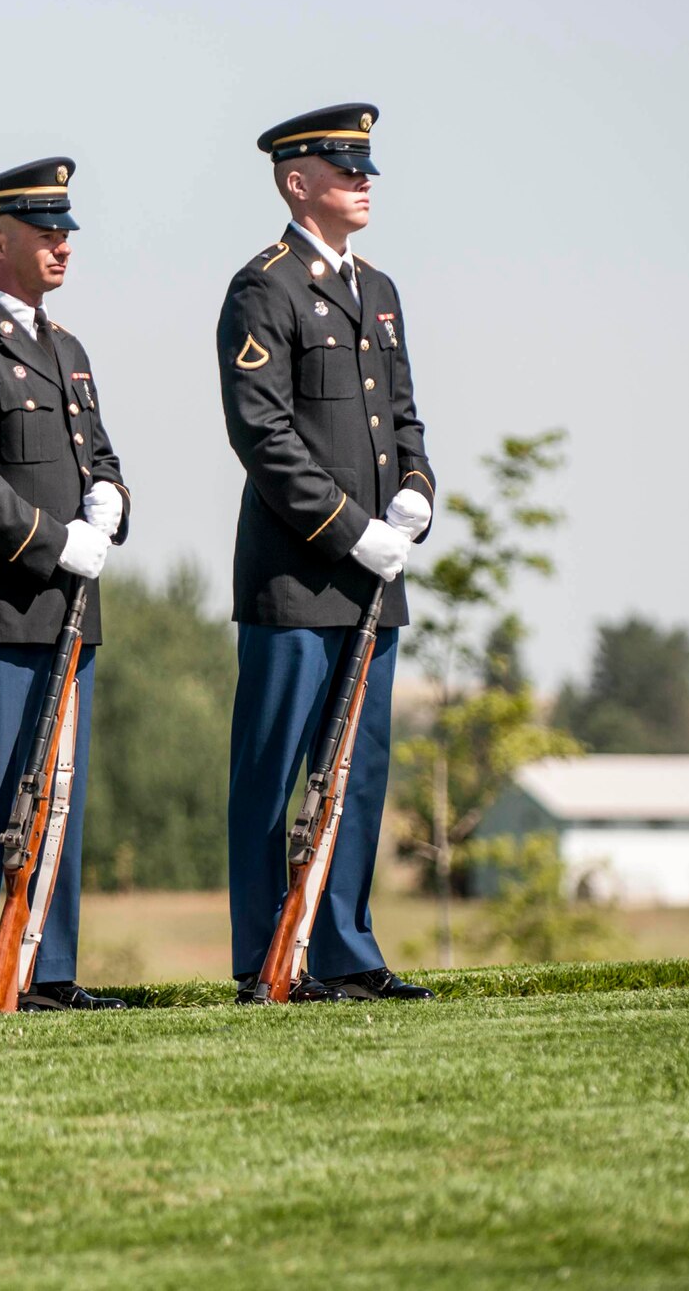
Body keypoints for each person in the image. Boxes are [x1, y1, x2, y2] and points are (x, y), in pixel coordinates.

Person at [215, 104, 437, 1003]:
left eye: (368, 169)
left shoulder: (377, 290)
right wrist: (355, 529)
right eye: (347, 169)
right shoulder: (262, 287)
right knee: (275, 771)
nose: (365, 181)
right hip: (298, 575)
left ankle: (344, 948)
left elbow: (405, 417)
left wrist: (418, 489)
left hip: (374, 582)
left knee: (362, 769)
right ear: (296, 181)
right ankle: (269, 957)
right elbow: (262, 434)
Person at [0, 157, 133, 1012]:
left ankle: (50, 968)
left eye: (66, 232)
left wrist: (114, 495)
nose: (63, 246)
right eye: (47, 233)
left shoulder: (66, 349)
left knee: (62, 795)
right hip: (2, 605)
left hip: (73, 608)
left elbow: (98, 454)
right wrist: (55, 543)